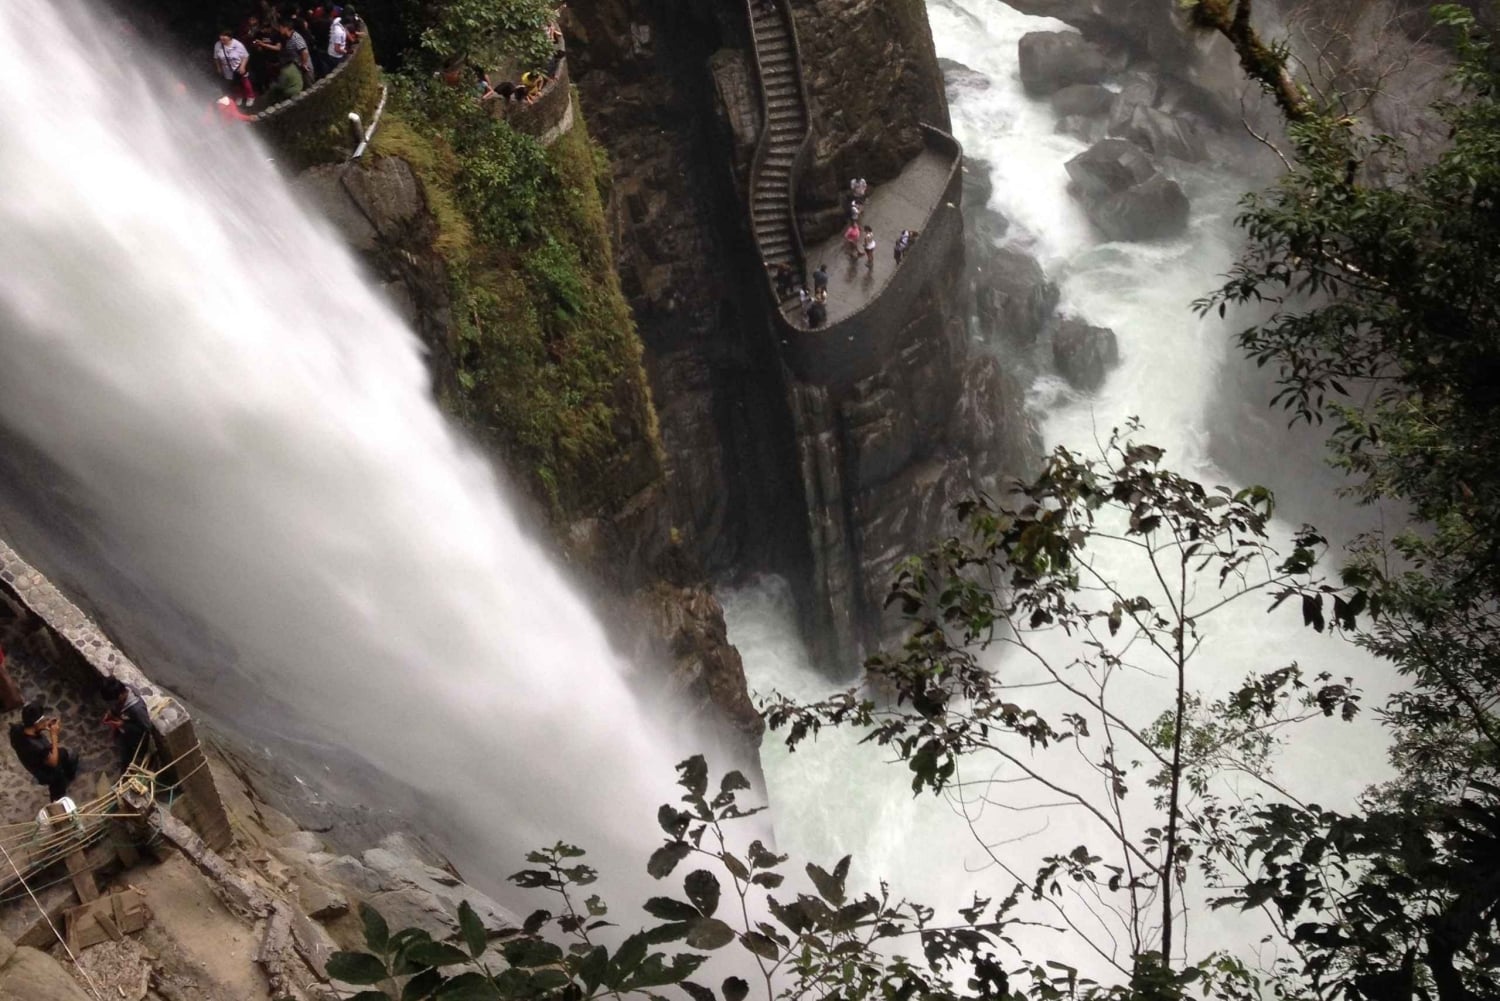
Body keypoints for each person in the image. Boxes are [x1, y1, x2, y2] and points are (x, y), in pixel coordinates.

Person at [10, 703, 79, 802]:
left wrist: (43, 726)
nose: (45, 721)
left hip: (37, 759)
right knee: (57, 778)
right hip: (44, 770)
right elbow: (53, 762)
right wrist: (54, 736)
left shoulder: (20, 730)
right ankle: (57, 799)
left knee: (62, 753)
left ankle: (69, 772)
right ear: (36, 723)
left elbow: (34, 729)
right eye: (42, 720)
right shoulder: (35, 747)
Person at [101, 678, 153, 773]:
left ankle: (128, 769)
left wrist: (123, 725)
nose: (113, 704)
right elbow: (116, 707)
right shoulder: (121, 693)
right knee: (124, 751)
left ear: (120, 696)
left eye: (113, 702)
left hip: (135, 738)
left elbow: (147, 727)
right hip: (124, 733)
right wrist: (111, 713)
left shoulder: (137, 709)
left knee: (129, 755)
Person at [256, 21, 314, 87]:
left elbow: (304, 51)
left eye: (281, 28)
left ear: (285, 28)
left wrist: (304, 64)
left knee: (309, 85)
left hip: (304, 66)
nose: (279, 30)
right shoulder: (286, 38)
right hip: (296, 65)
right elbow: (272, 40)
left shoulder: (296, 37)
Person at [213, 28, 255, 106]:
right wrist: (219, 68)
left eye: (224, 38)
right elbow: (216, 58)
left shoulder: (238, 44)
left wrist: (243, 66)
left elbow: (246, 56)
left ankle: (250, 96)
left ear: (229, 38)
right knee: (235, 84)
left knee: (245, 82)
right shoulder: (218, 45)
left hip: (238, 67)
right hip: (227, 69)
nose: (222, 40)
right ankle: (239, 96)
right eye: (221, 37)